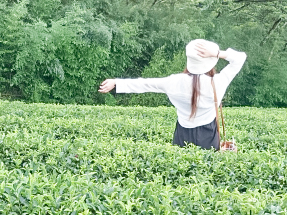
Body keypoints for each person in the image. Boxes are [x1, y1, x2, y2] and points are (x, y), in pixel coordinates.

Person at [98, 40, 246, 150]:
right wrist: (218, 53)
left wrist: (116, 82)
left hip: (182, 134)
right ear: (211, 63)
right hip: (208, 134)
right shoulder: (218, 82)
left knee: (180, 176)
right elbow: (240, 58)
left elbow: (145, 84)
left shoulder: (174, 82)